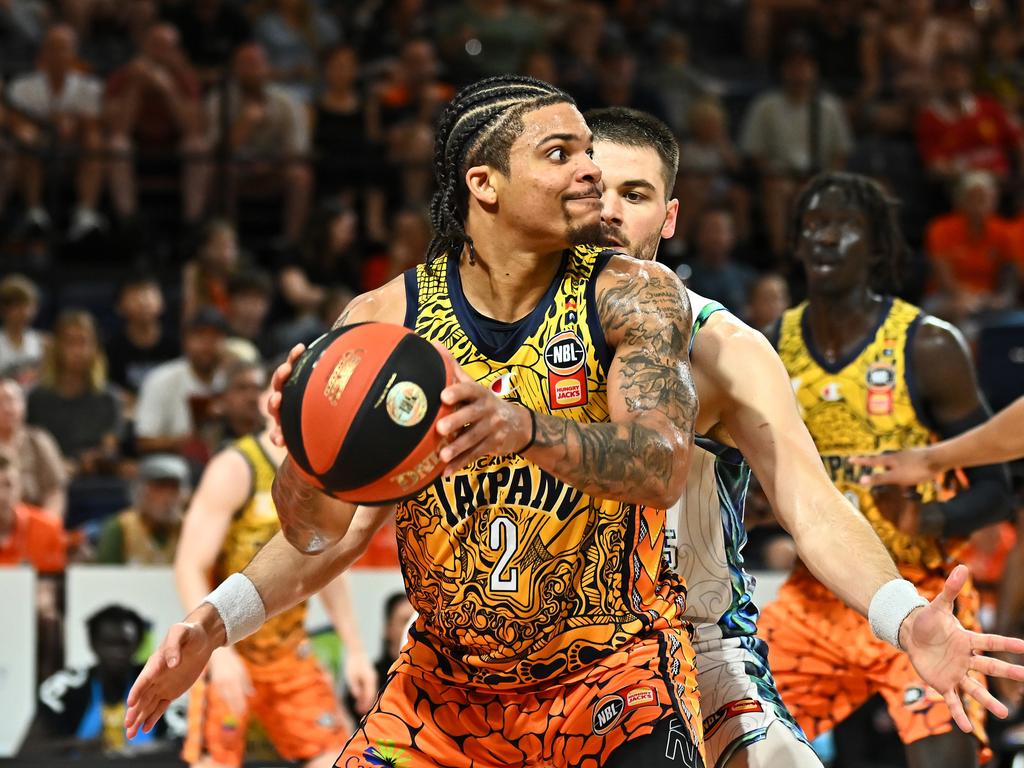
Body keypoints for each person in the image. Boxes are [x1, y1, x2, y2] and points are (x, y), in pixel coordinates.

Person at [129, 74, 709, 767]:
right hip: (441, 697)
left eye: (588, 150)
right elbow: (320, 534)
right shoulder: (383, 321)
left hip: (611, 681)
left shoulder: (633, 293)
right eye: (562, 154)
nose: (593, 169)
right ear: (485, 184)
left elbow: (662, 466)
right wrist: (301, 464)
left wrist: (525, 428)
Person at [585, 105, 1023, 768]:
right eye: (812, 224)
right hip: (785, 612)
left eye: (635, 193)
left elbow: (821, 504)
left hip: (838, 595)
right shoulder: (781, 339)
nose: (609, 210)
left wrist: (920, 545)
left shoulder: (743, 344)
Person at [759, 171, 1016, 768]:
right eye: (812, 226)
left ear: (876, 246)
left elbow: (997, 493)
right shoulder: (770, 344)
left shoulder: (928, 346)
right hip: (817, 596)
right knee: (726, 739)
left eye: (843, 226)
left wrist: (929, 515)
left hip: (921, 591)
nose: (823, 238)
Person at [175, 382, 374, 768]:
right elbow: (189, 565)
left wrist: (355, 649)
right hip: (229, 646)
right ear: (272, 407)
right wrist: (217, 653)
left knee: (337, 757)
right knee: (213, 761)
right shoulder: (235, 467)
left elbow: (328, 565)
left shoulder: (327, 471)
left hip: (287, 653)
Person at [5, 23, 105, 239]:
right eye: (53, 48)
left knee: (95, 140)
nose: (58, 55)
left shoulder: (90, 87)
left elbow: (94, 124)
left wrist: (75, 124)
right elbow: (14, 121)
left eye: (64, 48)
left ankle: (86, 212)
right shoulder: (23, 86)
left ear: (74, 53)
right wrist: (35, 128)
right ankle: (34, 212)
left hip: (75, 154)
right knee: (25, 138)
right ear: (43, 52)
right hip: (36, 153)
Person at [38, 605, 169, 756]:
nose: (117, 652)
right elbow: (36, 748)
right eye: (108, 643)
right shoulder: (63, 688)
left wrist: (133, 752)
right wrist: (85, 746)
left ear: (138, 644)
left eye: (124, 643)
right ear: (92, 643)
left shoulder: (160, 684)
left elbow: (183, 742)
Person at [26, 310, 122, 477]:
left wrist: (91, 460)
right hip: (47, 476)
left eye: (84, 342)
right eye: (70, 342)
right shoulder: (37, 398)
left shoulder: (109, 397)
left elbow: (110, 449)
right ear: (57, 347)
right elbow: (29, 447)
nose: (78, 351)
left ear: (96, 348)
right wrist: (56, 464)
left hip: (94, 477)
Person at [134, 307, 227, 456]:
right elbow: (143, 441)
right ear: (186, 342)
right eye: (200, 336)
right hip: (172, 461)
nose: (207, 345)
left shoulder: (232, 380)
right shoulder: (161, 379)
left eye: (215, 337)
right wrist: (187, 442)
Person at [95, 454, 190, 565]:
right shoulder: (120, 527)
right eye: (160, 488)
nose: (168, 497)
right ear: (141, 491)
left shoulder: (189, 530)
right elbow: (105, 576)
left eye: (174, 488)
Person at [0, 377, 67, 517]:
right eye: (1, 402)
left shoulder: (39, 441)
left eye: (12, 400)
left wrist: (44, 528)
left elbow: (55, 491)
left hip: (34, 524)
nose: (7, 408)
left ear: (23, 405)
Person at [0, 273, 46, 384]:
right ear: (3, 309)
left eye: (28, 305)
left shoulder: (45, 344)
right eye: (18, 306)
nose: (25, 312)